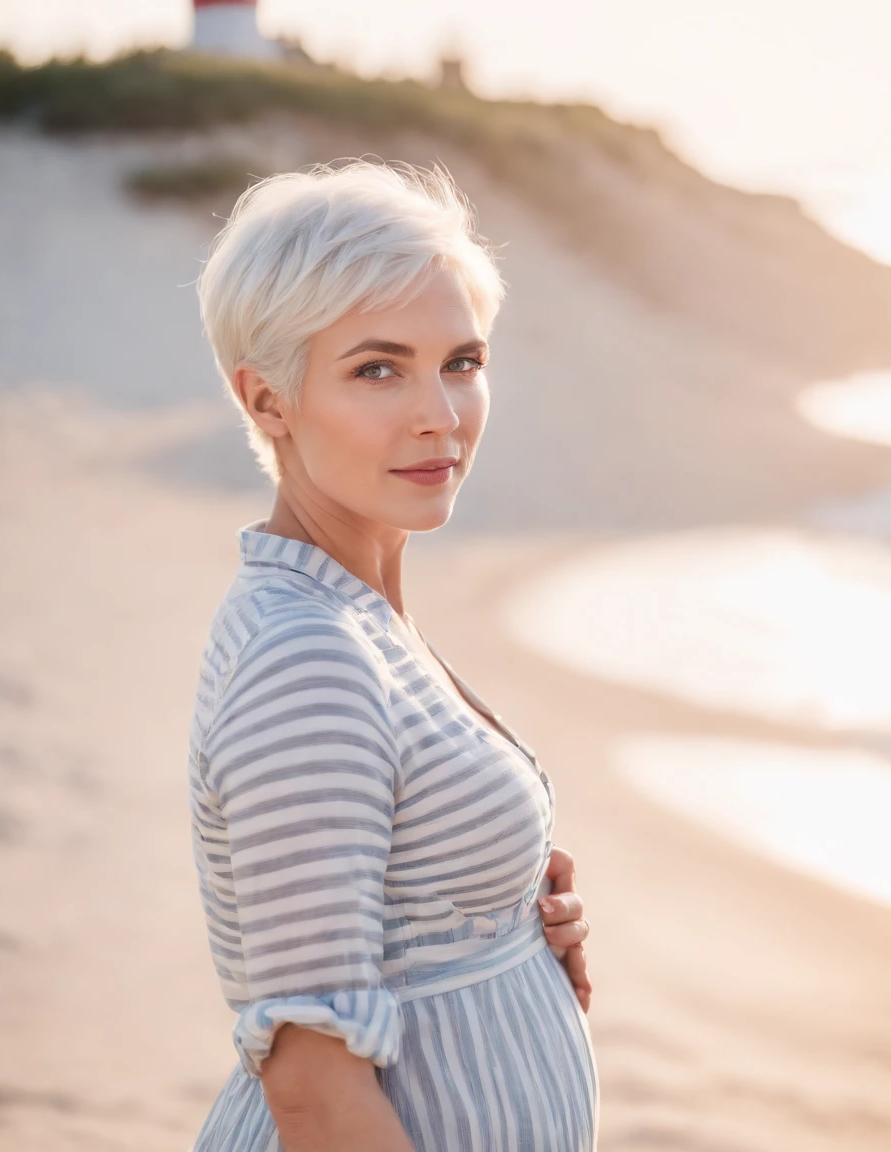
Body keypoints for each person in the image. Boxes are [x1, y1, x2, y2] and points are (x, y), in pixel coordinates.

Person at [187, 158, 599, 1150]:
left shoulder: (363, 615)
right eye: (377, 368)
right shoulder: (307, 659)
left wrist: (504, 931)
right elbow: (312, 1087)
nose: (439, 415)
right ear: (268, 400)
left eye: (459, 360)